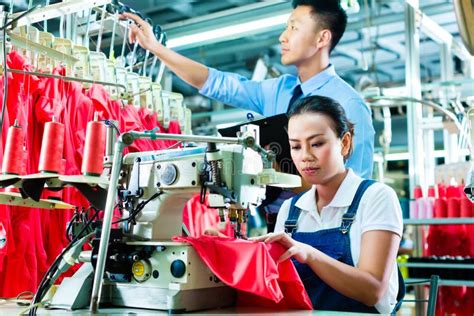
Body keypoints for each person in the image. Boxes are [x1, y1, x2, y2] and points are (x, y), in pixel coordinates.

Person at [121, 0, 374, 179]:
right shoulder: (279, 91)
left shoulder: (349, 104)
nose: (283, 37)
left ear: (322, 38)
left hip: (327, 230)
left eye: (294, 28)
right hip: (279, 223)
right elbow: (217, 83)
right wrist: (156, 48)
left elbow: (359, 183)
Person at [248, 95, 404, 313]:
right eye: (295, 147)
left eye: (317, 144)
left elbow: (373, 290)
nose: (305, 157)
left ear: (345, 142)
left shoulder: (376, 197)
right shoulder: (290, 210)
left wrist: (310, 254)